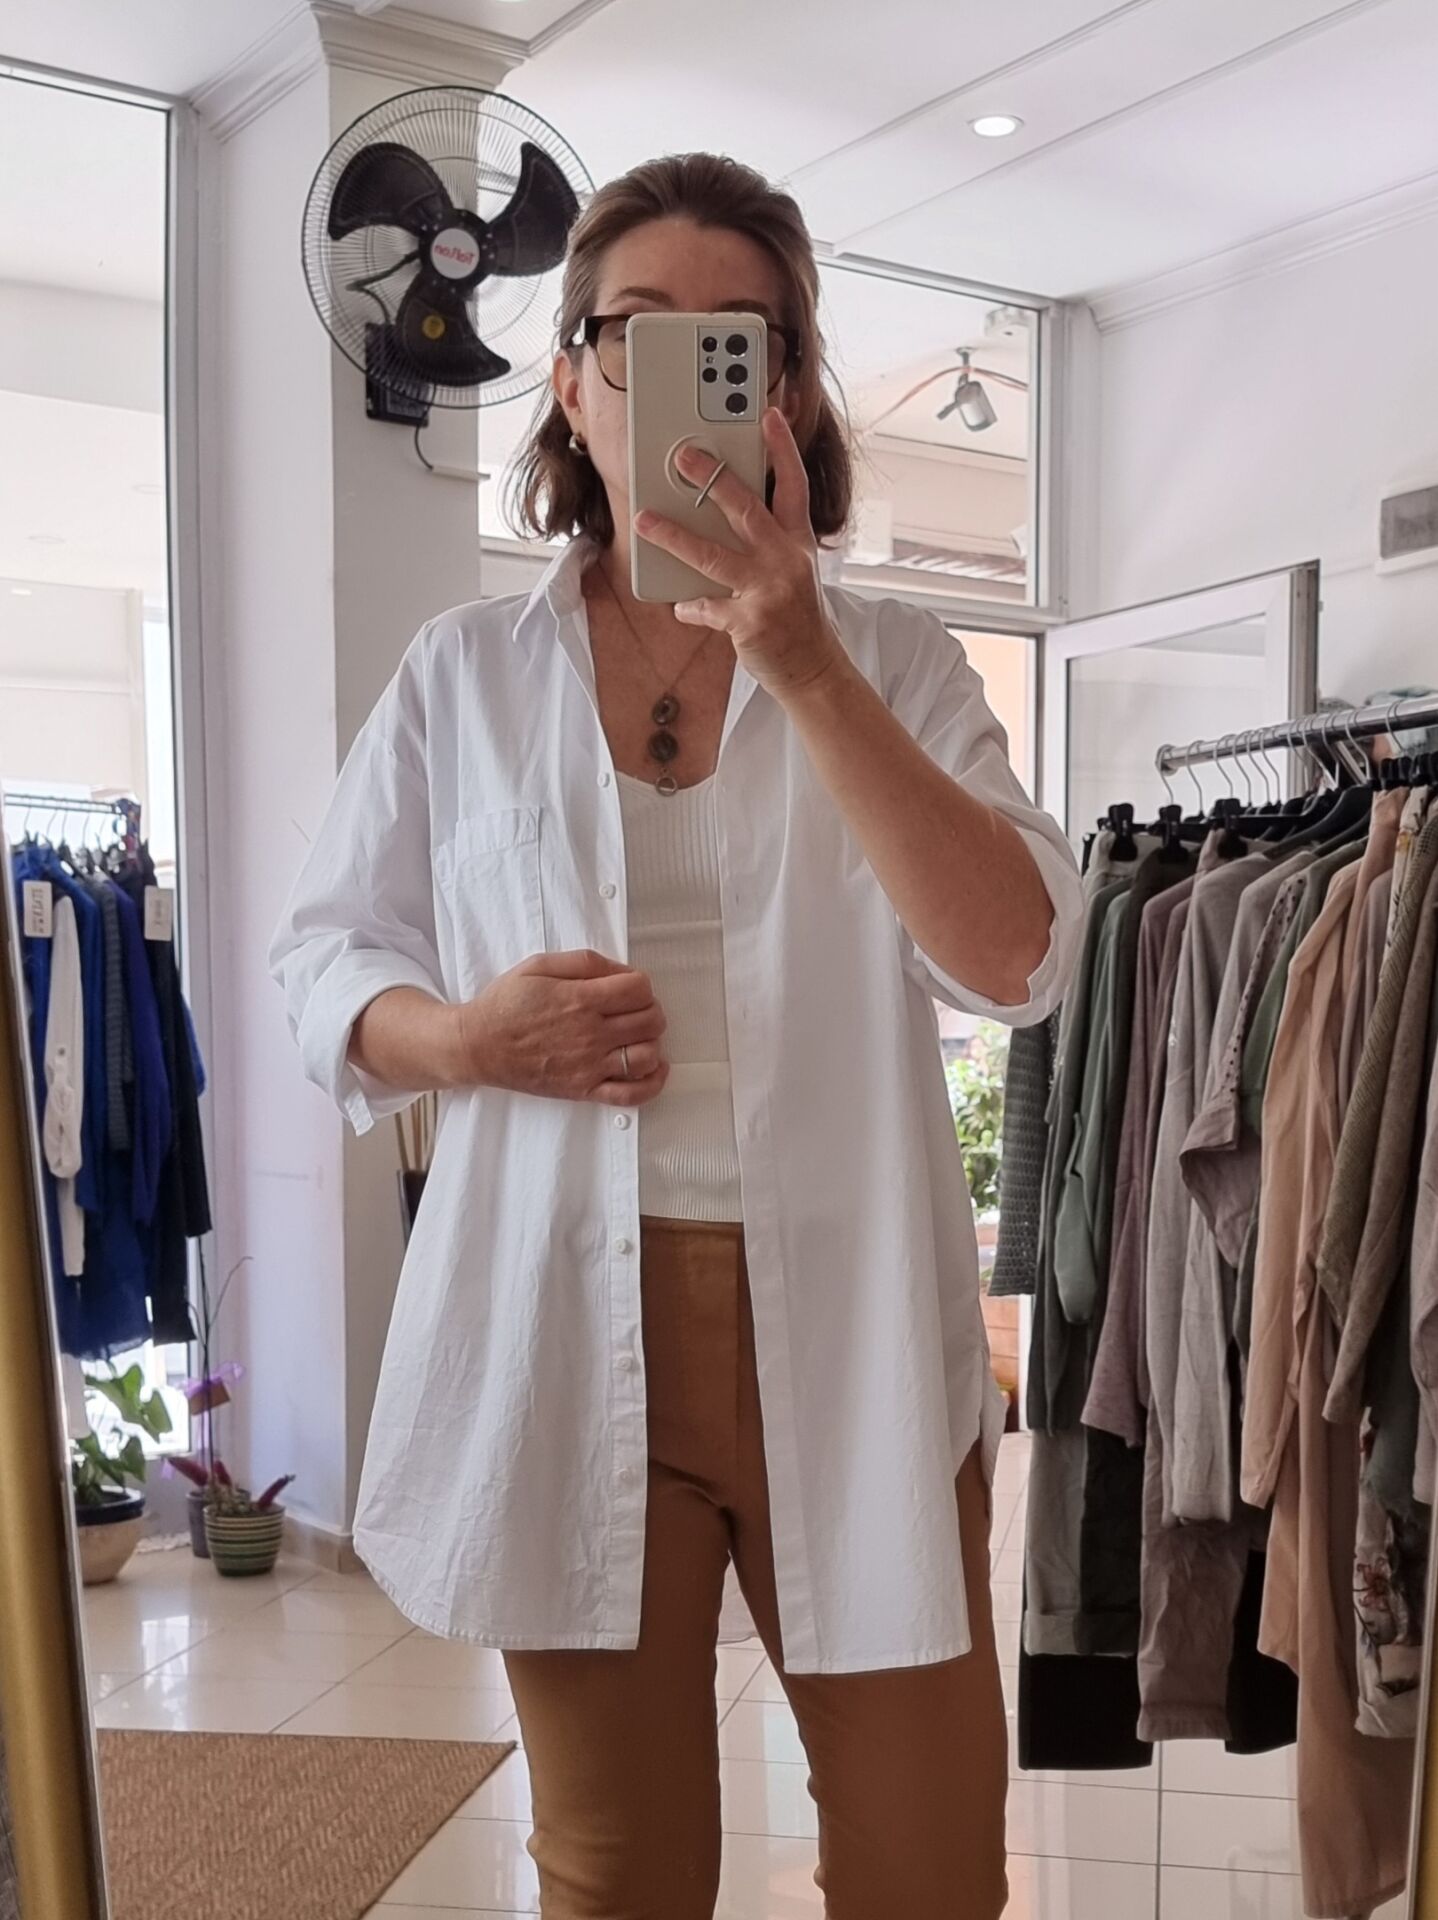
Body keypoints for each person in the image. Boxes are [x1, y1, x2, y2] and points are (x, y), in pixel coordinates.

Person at [270, 150, 1082, 1920]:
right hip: (561, 1323)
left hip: (856, 1328)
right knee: (614, 1874)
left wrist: (800, 657)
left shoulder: (897, 662)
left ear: (787, 386)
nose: (680, 374)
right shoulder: (465, 676)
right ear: (572, 380)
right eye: (636, 333)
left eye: (736, 336)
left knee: (930, 1869)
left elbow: (1018, 958)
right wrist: (467, 1040)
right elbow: (323, 964)